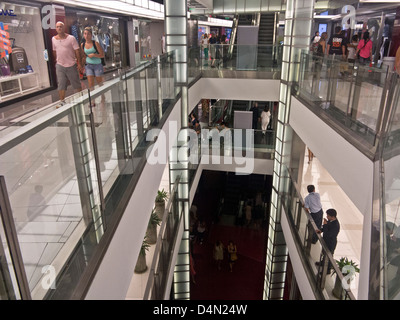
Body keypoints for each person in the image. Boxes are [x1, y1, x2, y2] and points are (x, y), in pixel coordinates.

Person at [52, 21, 83, 106]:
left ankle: (81, 98)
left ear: (64, 28)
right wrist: (57, 60)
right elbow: (54, 51)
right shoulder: (54, 39)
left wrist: (79, 63)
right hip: (60, 65)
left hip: (71, 64)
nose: (59, 28)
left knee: (76, 83)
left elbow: (77, 50)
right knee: (61, 83)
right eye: (57, 27)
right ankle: (62, 101)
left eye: (60, 27)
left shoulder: (71, 38)